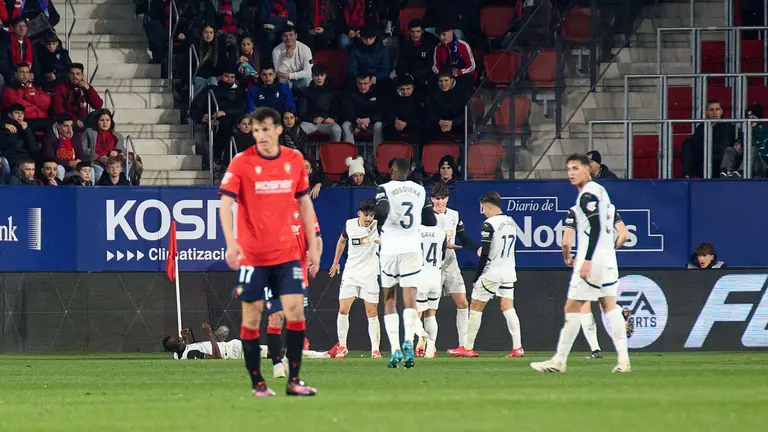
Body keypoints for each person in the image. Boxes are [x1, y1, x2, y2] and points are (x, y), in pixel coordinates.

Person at [218, 107, 320, 397]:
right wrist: (230, 242)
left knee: (295, 312)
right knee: (252, 319)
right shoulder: (241, 163)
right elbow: (226, 205)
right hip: (252, 256)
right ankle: (258, 384)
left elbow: (304, 204)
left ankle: (294, 380)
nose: (260, 135)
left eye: (266, 128)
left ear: (278, 130)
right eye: (256, 129)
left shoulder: (294, 160)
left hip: (287, 255)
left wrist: (312, 247)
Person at [531, 153, 631, 373]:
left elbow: (594, 227)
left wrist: (585, 260)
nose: (571, 173)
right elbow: (619, 233)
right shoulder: (603, 193)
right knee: (609, 306)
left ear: (588, 169)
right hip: (609, 260)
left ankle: (559, 360)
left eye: (576, 168)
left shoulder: (586, 196)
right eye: (569, 169)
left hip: (592, 261)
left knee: (572, 306)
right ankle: (624, 361)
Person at [375, 157, 437, 369]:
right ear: (408, 172)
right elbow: (431, 220)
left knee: (389, 298)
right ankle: (409, 339)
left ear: (391, 170)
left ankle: (394, 349)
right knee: (410, 297)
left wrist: (384, 217)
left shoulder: (383, 188)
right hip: (412, 248)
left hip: (391, 248)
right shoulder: (420, 190)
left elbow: (382, 210)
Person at [452, 191, 524, 358]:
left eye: (483, 207)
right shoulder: (511, 222)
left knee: (476, 307)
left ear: (489, 206)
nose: (482, 211)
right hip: (508, 271)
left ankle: (467, 347)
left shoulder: (489, 224)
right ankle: (517, 347)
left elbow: (485, 253)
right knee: (508, 308)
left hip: (492, 272)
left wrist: (477, 276)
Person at [562, 202, 631, 359]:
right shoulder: (611, 208)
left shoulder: (575, 210)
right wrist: (611, 249)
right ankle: (621, 314)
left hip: (587, 263)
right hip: (607, 263)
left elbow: (566, 242)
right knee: (606, 305)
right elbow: (625, 235)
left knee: (583, 305)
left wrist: (567, 258)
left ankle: (595, 350)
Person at [423, 183, 477, 356]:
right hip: (432, 266)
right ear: (431, 199)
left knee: (463, 303)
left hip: (451, 264)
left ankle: (463, 346)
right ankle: (428, 346)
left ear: (447, 198)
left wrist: (476, 248)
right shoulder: (426, 216)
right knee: (430, 309)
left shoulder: (454, 215)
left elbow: (463, 236)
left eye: (443, 198)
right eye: (437, 199)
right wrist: (444, 245)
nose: (440, 202)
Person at [328, 199, 382, 359]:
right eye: (366, 214)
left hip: (370, 274)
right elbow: (342, 240)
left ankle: (375, 349)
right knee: (343, 309)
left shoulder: (378, 226)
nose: (369, 218)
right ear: (359, 213)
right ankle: (342, 346)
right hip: (351, 273)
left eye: (371, 215)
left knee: (372, 312)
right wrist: (336, 262)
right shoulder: (350, 225)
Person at [190, 65, 246, 168]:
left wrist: (226, 112)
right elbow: (195, 106)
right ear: (221, 77)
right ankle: (217, 159)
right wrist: (201, 116)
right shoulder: (210, 89)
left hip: (233, 121)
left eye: (232, 77)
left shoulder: (239, 91)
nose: (229, 80)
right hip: (214, 122)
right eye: (226, 76)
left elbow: (241, 108)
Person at [682, 100, 736, 178]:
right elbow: (695, 144)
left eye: (717, 109)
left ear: (721, 112)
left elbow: (725, 145)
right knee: (687, 143)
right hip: (702, 158)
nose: (714, 112)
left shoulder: (728, 126)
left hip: (718, 160)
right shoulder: (701, 127)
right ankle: (686, 175)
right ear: (707, 112)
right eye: (711, 110)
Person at [415, 222, 446, 359]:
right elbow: (443, 255)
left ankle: (421, 333)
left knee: (414, 314)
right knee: (431, 314)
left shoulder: (415, 231)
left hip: (420, 276)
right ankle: (430, 350)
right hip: (435, 276)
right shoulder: (441, 232)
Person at [51, 63, 103, 130]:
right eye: (72, 74)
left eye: (78, 74)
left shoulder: (85, 87)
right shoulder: (61, 88)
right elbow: (58, 110)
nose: (75, 76)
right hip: (69, 120)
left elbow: (98, 105)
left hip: (84, 119)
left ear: (82, 76)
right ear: (68, 75)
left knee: (102, 113)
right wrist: (75, 120)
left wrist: (89, 89)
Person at [1, 63, 51, 132]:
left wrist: (29, 96)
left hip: (43, 118)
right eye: (22, 72)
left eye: (27, 72)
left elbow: (46, 103)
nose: (25, 75)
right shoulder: (10, 89)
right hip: (26, 120)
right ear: (16, 74)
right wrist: (36, 106)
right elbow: (18, 106)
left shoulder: (35, 87)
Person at [298, 64, 342, 142]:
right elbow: (302, 113)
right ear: (312, 76)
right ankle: (300, 154)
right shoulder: (305, 92)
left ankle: (335, 154)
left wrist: (333, 119)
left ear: (325, 76)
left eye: (322, 75)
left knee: (337, 129)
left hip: (327, 123)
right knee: (300, 129)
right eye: (316, 75)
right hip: (310, 123)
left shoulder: (332, 92)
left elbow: (337, 109)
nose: (319, 78)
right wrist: (312, 119)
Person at [342, 73, 383, 150]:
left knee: (379, 126)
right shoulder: (350, 93)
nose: (362, 86)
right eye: (360, 83)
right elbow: (347, 110)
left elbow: (380, 112)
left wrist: (369, 119)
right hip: (355, 122)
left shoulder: (377, 92)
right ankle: (351, 157)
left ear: (370, 82)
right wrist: (357, 120)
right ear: (356, 82)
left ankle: (377, 157)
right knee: (345, 125)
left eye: (365, 83)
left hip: (371, 123)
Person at [82, 109, 125, 182]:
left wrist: (117, 151)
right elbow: (84, 149)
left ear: (111, 122)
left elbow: (122, 149)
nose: (105, 123)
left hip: (113, 163)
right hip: (96, 162)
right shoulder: (89, 132)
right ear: (97, 121)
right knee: (100, 174)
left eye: (107, 120)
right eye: (102, 120)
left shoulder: (118, 135)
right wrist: (99, 158)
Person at [0, 18, 41, 93]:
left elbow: (36, 63)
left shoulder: (30, 44)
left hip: (27, 74)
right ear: (12, 28)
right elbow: (2, 63)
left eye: (24, 26)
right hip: (11, 75)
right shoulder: (5, 43)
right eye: (19, 26)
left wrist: (33, 74)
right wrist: (15, 74)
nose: (22, 28)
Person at [431, 26, 476, 95]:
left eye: (443, 34)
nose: (441, 38)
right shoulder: (438, 47)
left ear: (450, 32)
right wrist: (442, 75)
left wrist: (458, 72)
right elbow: (435, 66)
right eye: (439, 35)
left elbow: (471, 66)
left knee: (465, 84)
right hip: (445, 74)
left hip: (462, 75)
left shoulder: (463, 45)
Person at [396, 19, 439, 90]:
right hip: (410, 72)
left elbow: (432, 63)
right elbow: (402, 60)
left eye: (418, 31)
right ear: (409, 31)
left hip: (426, 72)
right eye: (412, 32)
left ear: (422, 31)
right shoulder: (404, 42)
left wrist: (416, 73)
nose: (415, 34)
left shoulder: (431, 40)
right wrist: (406, 74)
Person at [163, 322, 242, 360]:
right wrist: (209, 335)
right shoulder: (191, 354)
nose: (180, 339)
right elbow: (216, 358)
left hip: (230, 345)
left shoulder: (177, 355)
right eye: (178, 341)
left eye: (178, 338)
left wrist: (185, 339)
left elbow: (186, 350)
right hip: (233, 351)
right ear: (174, 349)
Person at [0, 103, 39, 177]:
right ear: (10, 115)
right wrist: (3, 125)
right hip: (12, 162)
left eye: (22, 113)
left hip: (26, 162)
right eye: (17, 113)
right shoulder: (5, 129)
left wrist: (27, 131)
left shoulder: (27, 129)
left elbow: (34, 150)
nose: (20, 115)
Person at [41, 114, 85, 180]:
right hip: (57, 166)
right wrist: (68, 163)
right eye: (66, 126)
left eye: (71, 126)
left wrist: (78, 162)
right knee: (60, 170)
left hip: (73, 168)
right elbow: (49, 157)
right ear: (58, 126)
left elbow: (80, 155)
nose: (69, 129)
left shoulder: (76, 137)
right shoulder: (49, 136)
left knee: (90, 170)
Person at [426, 70, 466, 141]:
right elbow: (430, 110)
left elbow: (466, 112)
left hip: (457, 125)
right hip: (438, 124)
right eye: (441, 81)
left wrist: (453, 122)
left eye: (446, 81)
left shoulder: (462, 92)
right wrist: (439, 121)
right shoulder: (433, 92)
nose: (443, 84)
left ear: (451, 80)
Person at [383, 74, 422, 147]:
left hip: (412, 126)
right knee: (388, 129)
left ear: (412, 88)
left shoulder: (418, 100)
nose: (405, 92)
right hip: (396, 126)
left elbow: (421, 117)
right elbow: (388, 114)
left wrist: (407, 124)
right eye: (402, 89)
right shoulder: (392, 99)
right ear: (398, 89)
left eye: (408, 88)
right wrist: (395, 121)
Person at [272, 25, 313, 90]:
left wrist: (290, 75)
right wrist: (287, 58)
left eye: (291, 35)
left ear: (296, 36)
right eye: (285, 36)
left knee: (308, 79)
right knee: (282, 80)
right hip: (286, 80)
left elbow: (308, 72)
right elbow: (279, 73)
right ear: (282, 38)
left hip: (300, 78)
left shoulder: (305, 49)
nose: (288, 38)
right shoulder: (276, 50)